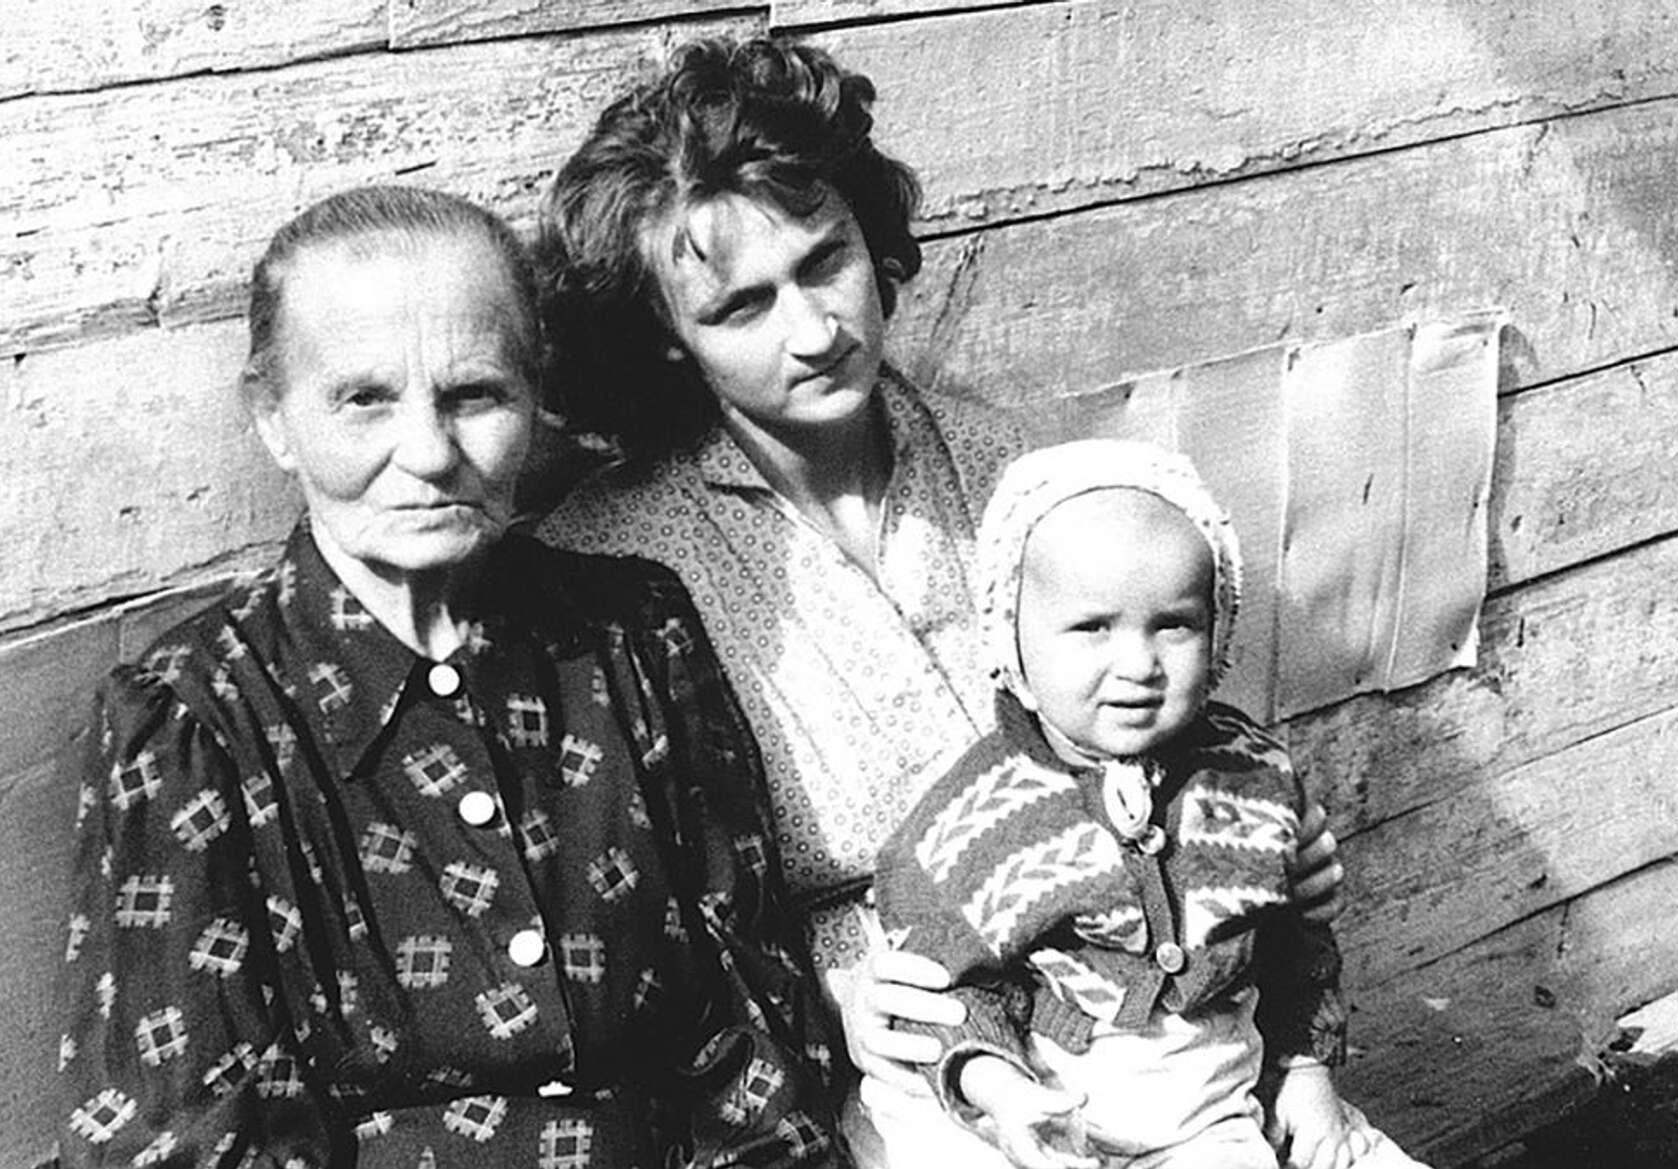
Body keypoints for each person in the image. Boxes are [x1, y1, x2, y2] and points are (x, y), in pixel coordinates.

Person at [534, 34, 1345, 1166]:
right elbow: (637, 925)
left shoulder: (1024, 479)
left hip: (1143, 1026)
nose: (815, 330)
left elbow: (1161, 722)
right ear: (668, 341)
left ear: (871, 239)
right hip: (873, 1062)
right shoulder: (608, 566)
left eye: (825, 261)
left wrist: (1261, 837)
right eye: (741, 307)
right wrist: (825, 997)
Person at [53, 184, 841, 1169]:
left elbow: (759, 1037)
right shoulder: (195, 720)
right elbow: (181, 1138)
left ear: (532, 396)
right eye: (364, 400)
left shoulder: (634, 636)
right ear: (273, 417)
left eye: (475, 395)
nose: (427, 454)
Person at [874, 440, 1425, 1169]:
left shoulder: (1248, 775)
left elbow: (1295, 947)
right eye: (1091, 627)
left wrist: (1305, 1067)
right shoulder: (975, 818)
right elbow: (951, 988)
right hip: (1047, 1118)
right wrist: (999, 1089)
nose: (1138, 665)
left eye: (1173, 624)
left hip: (1211, 1110)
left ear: (1217, 630)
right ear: (1014, 644)